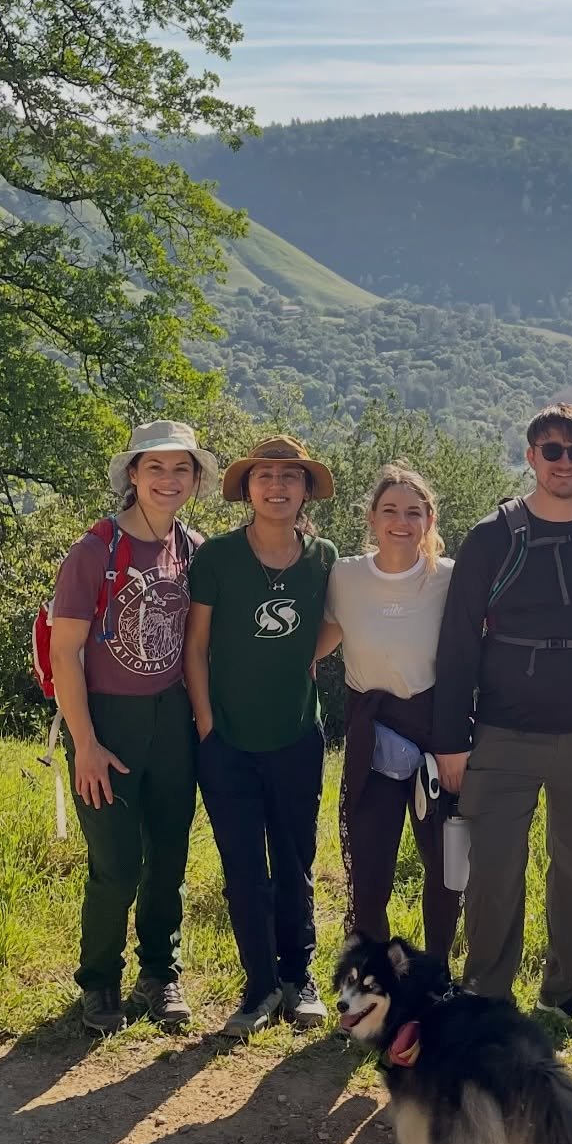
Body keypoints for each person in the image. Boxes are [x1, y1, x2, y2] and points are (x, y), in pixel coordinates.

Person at [433, 404, 572, 1041]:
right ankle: (487, 994)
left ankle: (566, 991)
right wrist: (451, 739)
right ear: (530, 457)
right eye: (551, 450)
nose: (564, 462)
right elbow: (456, 644)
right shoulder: (492, 537)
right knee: (493, 871)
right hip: (501, 732)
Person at [48, 420, 215, 1035]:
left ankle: (159, 975)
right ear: (133, 476)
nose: (168, 481)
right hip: (106, 720)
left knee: (169, 855)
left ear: (195, 480)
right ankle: (98, 983)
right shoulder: (93, 552)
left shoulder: (193, 549)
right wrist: (85, 744)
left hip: (171, 717)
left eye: (181, 469)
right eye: (156, 468)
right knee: (116, 863)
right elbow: (65, 653)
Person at [185, 435, 338, 1037]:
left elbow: (333, 626)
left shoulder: (323, 556)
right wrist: (206, 725)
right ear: (247, 489)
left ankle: (300, 979)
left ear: (305, 491)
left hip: (297, 735)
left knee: (296, 861)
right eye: (265, 476)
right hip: (227, 741)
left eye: (290, 477)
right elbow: (196, 647)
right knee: (243, 866)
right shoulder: (218, 557)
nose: (277, 487)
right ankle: (259, 986)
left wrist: (305, 657)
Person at [316, 464, 460, 962]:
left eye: (413, 512)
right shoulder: (345, 576)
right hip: (369, 731)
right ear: (372, 518)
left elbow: (494, 643)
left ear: (429, 520)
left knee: (445, 864)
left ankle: (436, 971)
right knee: (369, 864)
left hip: (436, 732)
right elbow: (322, 640)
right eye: (391, 510)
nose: (402, 521)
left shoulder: (451, 579)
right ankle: (369, 974)